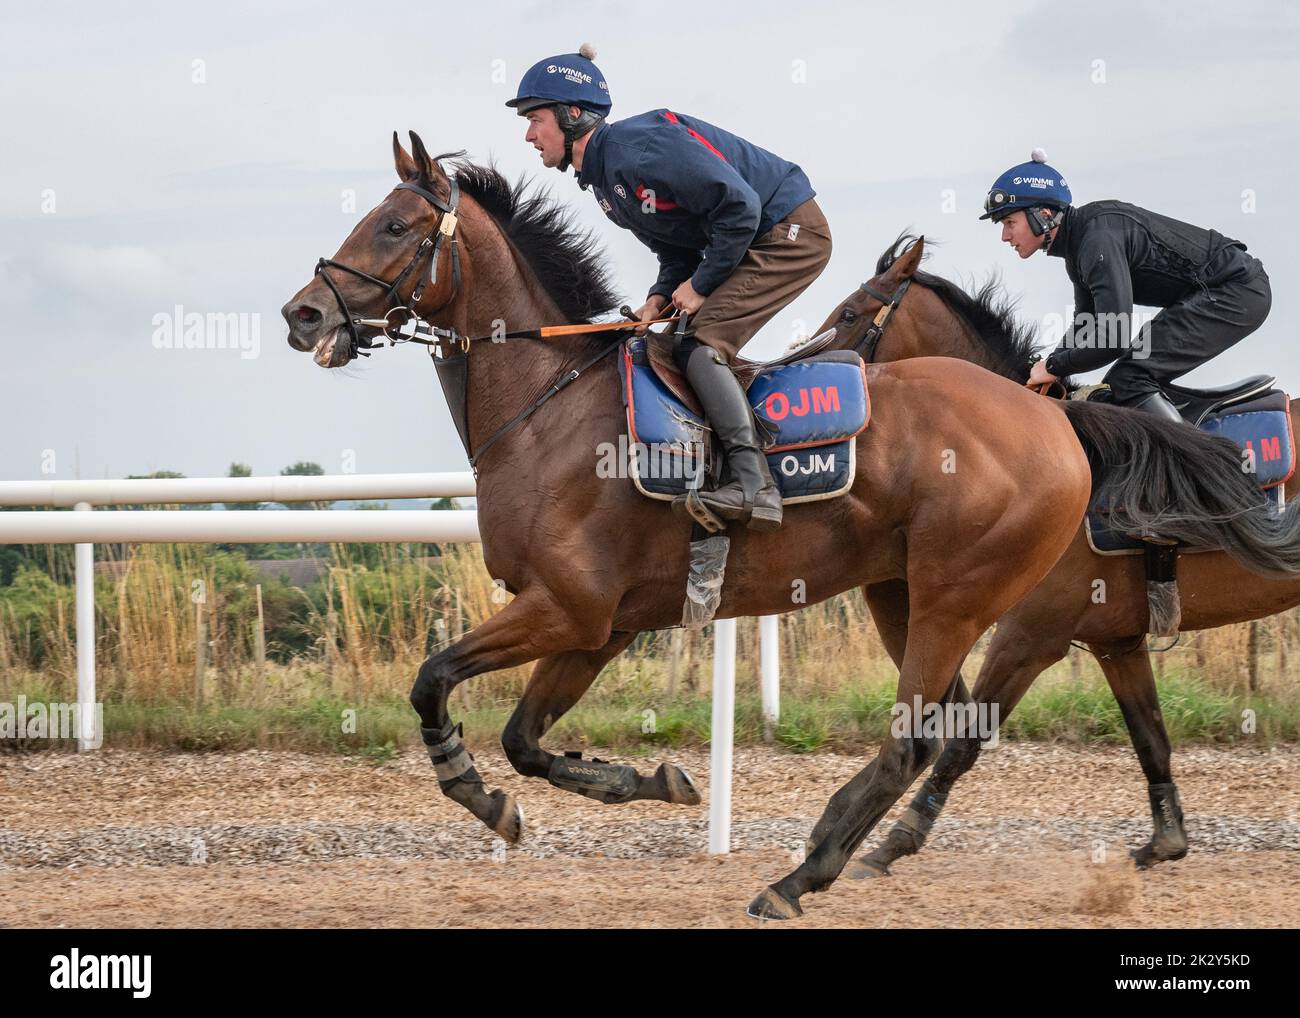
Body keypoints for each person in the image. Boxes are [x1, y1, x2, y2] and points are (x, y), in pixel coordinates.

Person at [507, 45, 832, 530]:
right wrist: (660, 294)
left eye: (536, 119)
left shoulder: (640, 148)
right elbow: (676, 247)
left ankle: (754, 484)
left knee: (701, 344)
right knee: (671, 339)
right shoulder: (604, 183)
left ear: (572, 114)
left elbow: (740, 208)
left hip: (789, 233)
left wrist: (701, 286)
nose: (530, 135)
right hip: (751, 234)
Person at [980, 149, 1272, 420]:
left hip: (1236, 291)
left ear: (1043, 215)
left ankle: (1200, 466)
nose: (1005, 236)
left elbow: (1113, 341)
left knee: (1128, 380)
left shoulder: (1096, 241)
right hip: (1221, 290)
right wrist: (1049, 367)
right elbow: (1086, 324)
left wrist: (1054, 367)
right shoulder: (1081, 242)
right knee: (1123, 382)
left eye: (1009, 222)